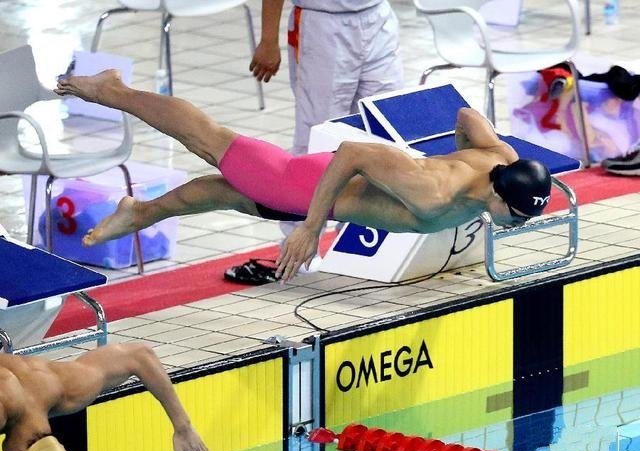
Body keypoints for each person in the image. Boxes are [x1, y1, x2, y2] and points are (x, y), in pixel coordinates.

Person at [54, 70, 552, 283]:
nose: (518, 224)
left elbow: (467, 118)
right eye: (517, 216)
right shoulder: (433, 190)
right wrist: (312, 228)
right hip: (306, 185)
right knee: (208, 140)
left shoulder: (500, 157)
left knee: (232, 194)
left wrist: (457, 153)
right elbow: (353, 152)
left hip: (320, 191)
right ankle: (111, 90)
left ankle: (140, 212)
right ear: (499, 195)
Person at [0, 343, 216, 451]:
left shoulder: (68, 389)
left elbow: (139, 356)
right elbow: (138, 355)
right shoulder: (65, 391)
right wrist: (182, 426)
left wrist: (183, 426)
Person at [250, 0, 404, 155]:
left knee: (386, 120)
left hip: (378, 16)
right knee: (322, 133)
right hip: (321, 23)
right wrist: (269, 40)